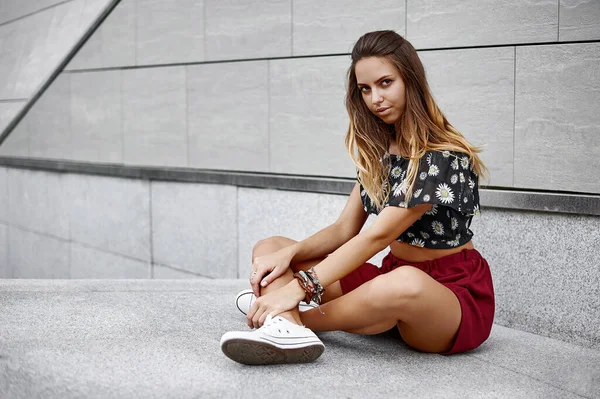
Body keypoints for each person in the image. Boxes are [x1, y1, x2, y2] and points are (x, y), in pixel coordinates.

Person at [220, 30, 495, 365]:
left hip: (449, 297)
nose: (375, 98)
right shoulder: (382, 154)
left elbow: (377, 236)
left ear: (411, 81)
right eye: (365, 89)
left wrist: (296, 290)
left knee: (404, 283)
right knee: (271, 249)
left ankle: (291, 321)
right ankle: (285, 324)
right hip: (388, 280)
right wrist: (291, 253)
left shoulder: (440, 157)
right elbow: (342, 231)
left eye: (385, 83)